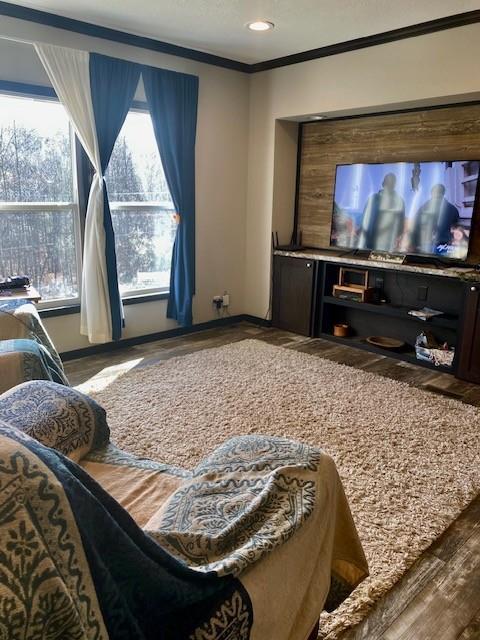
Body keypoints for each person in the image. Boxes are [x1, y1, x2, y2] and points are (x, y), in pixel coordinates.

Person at [358, 173, 406, 251]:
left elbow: (400, 227)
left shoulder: (399, 201)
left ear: (383, 183)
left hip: (381, 245)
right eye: (388, 182)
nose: (389, 185)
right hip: (373, 244)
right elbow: (364, 221)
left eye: (391, 182)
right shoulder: (374, 199)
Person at [411, 183, 459, 254]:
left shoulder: (424, 207)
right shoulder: (453, 209)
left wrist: (415, 244)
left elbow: (415, 226)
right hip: (445, 246)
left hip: (426, 245)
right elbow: (455, 227)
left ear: (432, 193)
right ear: (443, 193)